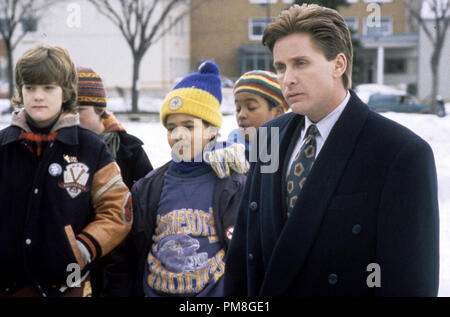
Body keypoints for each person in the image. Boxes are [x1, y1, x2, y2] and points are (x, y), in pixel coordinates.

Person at [224, 4, 439, 297]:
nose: (287, 79)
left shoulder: (400, 153)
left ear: (338, 65)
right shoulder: (267, 136)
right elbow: (243, 255)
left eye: (301, 63)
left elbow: (408, 284)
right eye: (281, 67)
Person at [103, 61, 246, 297]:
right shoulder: (148, 187)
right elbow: (125, 257)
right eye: (171, 128)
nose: (178, 134)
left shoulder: (232, 182)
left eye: (189, 126)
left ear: (212, 130)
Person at [0, 45, 132, 297]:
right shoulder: (4, 147)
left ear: (66, 92)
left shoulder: (91, 148)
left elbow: (118, 210)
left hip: (68, 287)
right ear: (20, 91)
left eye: (48, 88)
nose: (38, 96)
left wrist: (81, 249)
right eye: (30, 88)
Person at [76, 67, 153, 297]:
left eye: (80, 109)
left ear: (100, 109)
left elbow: (146, 207)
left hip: (121, 265)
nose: (74, 116)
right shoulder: (62, 149)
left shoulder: (129, 150)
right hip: (78, 263)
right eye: (68, 109)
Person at [228, 70, 288, 160]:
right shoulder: (228, 152)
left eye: (251, 107)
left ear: (278, 113)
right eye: (238, 109)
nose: (241, 115)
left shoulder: (289, 152)